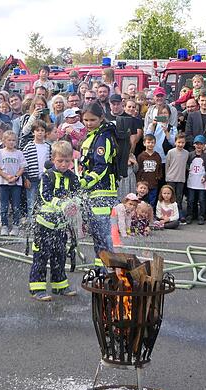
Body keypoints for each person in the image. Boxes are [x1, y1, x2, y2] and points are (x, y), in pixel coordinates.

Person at [28, 140, 80, 301]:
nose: (64, 164)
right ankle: (37, 288)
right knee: (41, 256)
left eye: (67, 161)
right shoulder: (47, 176)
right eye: (60, 161)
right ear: (53, 159)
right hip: (44, 224)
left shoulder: (72, 176)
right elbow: (46, 195)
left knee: (60, 255)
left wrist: (75, 204)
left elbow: (78, 193)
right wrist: (62, 204)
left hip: (61, 225)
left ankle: (59, 285)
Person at [79, 102, 118, 267]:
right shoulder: (93, 135)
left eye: (92, 120)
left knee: (102, 234)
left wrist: (86, 181)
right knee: (96, 233)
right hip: (93, 191)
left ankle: (110, 270)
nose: (88, 123)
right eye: (85, 120)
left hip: (102, 191)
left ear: (101, 118)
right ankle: (100, 268)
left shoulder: (103, 137)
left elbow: (102, 166)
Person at [0, 130, 26, 236]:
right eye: (9, 140)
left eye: (13, 140)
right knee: (4, 206)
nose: (11, 142)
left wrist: (16, 177)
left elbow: (22, 167)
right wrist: (6, 176)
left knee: (16, 205)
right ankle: (4, 225)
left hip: (16, 184)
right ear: (4, 141)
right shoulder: (0, 153)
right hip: (3, 183)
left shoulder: (19, 153)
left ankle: (16, 226)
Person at [22, 120, 52, 217]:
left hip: (45, 179)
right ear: (33, 132)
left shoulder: (48, 147)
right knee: (31, 203)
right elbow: (24, 164)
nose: (40, 132)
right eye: (37, 130)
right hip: (32, 179)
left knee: (44, 202)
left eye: (42, 130)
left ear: (45, 132)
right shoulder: (28, 147)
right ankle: (31, 224)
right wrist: (25, 178)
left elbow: (51, 162)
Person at [186, 135, 206, 224]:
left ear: (203, 145)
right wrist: (187, 168)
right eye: (197, 144)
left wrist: (205, 177)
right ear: (194, 145)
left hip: (201, 182)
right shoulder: (190, 155)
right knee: (190, 199)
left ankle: (201, 215)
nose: (198, 146)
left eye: (200, 144)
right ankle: (190, 215)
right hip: (192, 181)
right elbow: (186, 164)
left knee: (202, 200)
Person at [165, 134, 190, 221]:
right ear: (175, 142)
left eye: (182, 142)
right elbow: (167, 165)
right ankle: (169, 214)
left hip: (181, 178)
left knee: (179, 197)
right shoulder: (171, 152)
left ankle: (179, 214)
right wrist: (167, 176)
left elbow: (186, 164)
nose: (180, 144)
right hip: (171, 178)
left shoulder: (186, 153)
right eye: (179, 142)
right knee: (170, 197)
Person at [136, 134, 163, 206]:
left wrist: (158, 176)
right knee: (143, 200)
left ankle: (151, 214)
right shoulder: (141, 156)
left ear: (155, 143)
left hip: (153, 183)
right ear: (144, 143)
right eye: (148, 142)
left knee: (152, 200)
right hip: (143, 183)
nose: (150, 144)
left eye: (152, 142)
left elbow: (160, 168)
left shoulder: (157, 156)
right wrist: (139, 181)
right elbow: (138, 169)